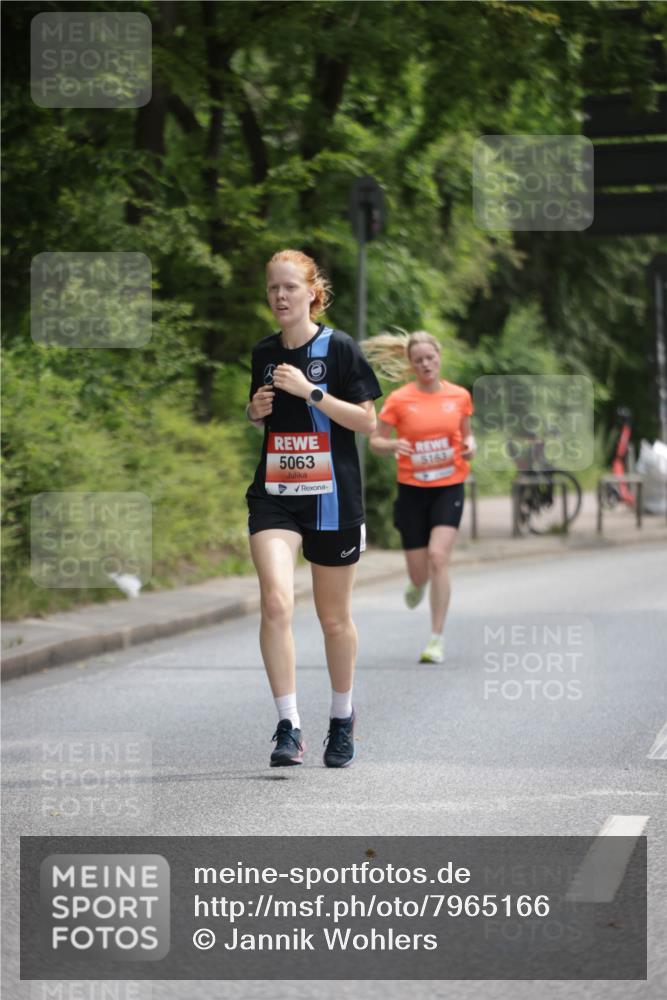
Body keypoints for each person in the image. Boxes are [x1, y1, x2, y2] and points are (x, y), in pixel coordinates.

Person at [246, 249, 382, 768]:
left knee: (333, 619)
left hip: (332, 499)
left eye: (289, 288)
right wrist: (254, 412)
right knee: (277, 603)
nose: (279, 297)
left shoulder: (340, 348)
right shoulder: (263, 352)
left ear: (311, 294)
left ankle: (342, 719)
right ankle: (288, 725)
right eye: (272, 289)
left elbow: (368, 423)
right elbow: (260, 413)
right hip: (276, 497)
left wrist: (312, 391)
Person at [365, 330, 475, 664]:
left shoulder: (459, 397)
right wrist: (393, 444)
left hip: (449, 486)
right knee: (419, 572)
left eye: (430, 358)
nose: (426, 364)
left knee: (438, 557)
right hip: (412, 491)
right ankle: (417, 584)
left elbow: (469, 439)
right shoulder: (399, 399)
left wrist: (471, 448)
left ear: (439, 357)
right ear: (412, 365)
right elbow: (375, 441)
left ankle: (436, 639)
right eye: (418, 360)